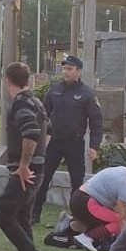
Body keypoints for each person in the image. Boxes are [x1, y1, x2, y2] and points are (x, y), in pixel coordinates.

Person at [0, 61, 52, 251]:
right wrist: (39, 158)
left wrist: (24, 165)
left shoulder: (20, 103)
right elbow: (49, 132)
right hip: (37, 170)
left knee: (4, 216)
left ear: (7, 81)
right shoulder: (36, 101)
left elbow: (31, 131)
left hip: (25, 172)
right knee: (22, 218)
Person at [30, 54, 103, 225]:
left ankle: (77, 217)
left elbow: (96, 122)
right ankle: (34, 214)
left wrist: (94, 146)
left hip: (74, 144)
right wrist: (41, 139)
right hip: (54, 142)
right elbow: (43, 116)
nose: (66, 72)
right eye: (64, 68)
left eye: (70, 69)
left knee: (77, 182)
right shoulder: (54, 90)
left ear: (78, 71)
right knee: (43, 178)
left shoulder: (86, 94)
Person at [67, 163, 126, 251]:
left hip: (78, 198)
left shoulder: (124, 171)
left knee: (113, 219)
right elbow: (123, 219)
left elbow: (119, 211)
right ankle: (86, 238)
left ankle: (75, 226)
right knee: (117, 222)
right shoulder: (125, 187)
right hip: (86, 203)